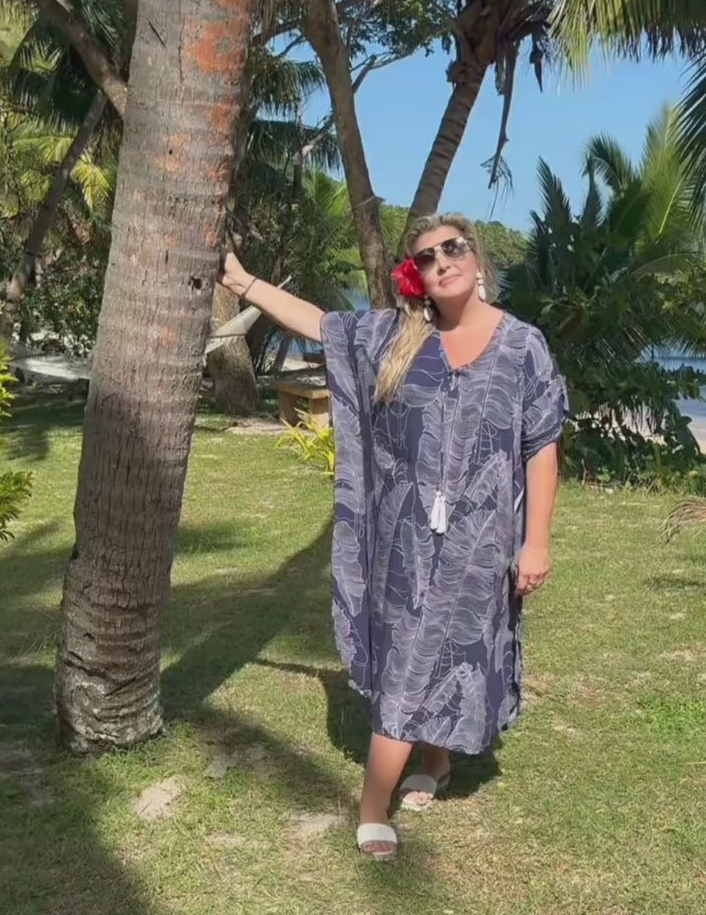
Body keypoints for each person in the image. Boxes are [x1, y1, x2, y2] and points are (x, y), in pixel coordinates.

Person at [219, 212, 566, 859]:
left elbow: (541, 446)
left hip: (481, 544)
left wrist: (536, 541)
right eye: (427, 257)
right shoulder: (398, 339)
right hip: (405, 538)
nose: (443, 262)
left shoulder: (524, 348)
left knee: (445, 651)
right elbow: (320, 323)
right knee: (409, 659)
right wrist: (245, 283)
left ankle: (434, 763)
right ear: (418, 275)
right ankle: (374, 803)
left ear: (477, 256)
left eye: (454, 248)